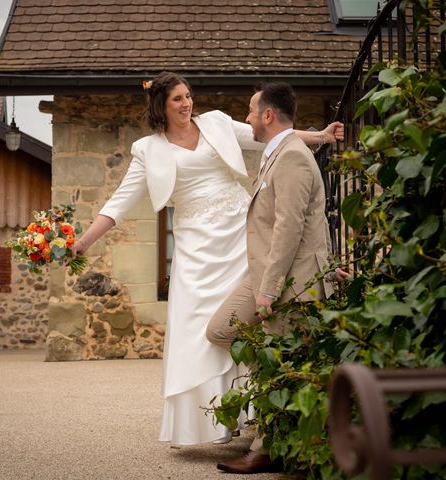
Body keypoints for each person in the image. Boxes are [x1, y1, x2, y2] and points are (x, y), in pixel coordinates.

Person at [72, 71, 344, 446]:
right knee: (198, 335)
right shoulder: (147, 150)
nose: (187, 104)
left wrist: (320, 136)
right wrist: (83, 241)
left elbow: (270, 137)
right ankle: (213, 421)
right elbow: (120, 200)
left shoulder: (216, 123)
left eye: (188, 96)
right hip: (195, 249)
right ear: (161, 107)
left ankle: (257, 417)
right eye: (177, 100)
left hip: (240, 237)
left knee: (253, 322)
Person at [206, 81, 343, 473]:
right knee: (219, 329)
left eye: (251, 111)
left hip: (291, 281)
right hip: (265, 272)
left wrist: (268, 290)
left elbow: (290, 227)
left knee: (280, 362)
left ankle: (267, 448)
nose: (247, 118)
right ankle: (269, 423)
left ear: (267, 115)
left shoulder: (294, 157)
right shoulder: (276, 153)